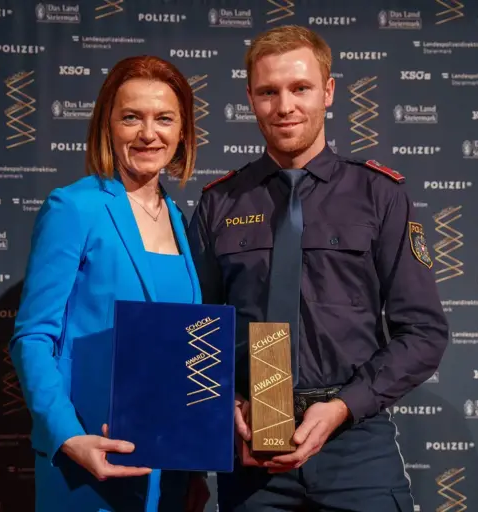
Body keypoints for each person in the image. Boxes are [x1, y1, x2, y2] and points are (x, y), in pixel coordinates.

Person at [187, 25, 449, 511]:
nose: (284, 106)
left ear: (328, 92)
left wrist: (344, 407)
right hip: (252, 447)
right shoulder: (219, 202)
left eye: (300, 88)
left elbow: (424, 332)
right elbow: (196, 331)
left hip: (355, 443)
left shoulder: (380, 195)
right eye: (268, 92)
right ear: (250, 99)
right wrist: (225, 406)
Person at [10, 55, 210, 512]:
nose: (148, 134)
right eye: (131, 118)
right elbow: (33, 337)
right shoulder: (74, 208)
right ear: (108, 125)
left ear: (182, 131)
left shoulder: (181, 220)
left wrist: (194, 463)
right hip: (89, 461)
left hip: (168, 469)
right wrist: (68, 437)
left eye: (164, 119)